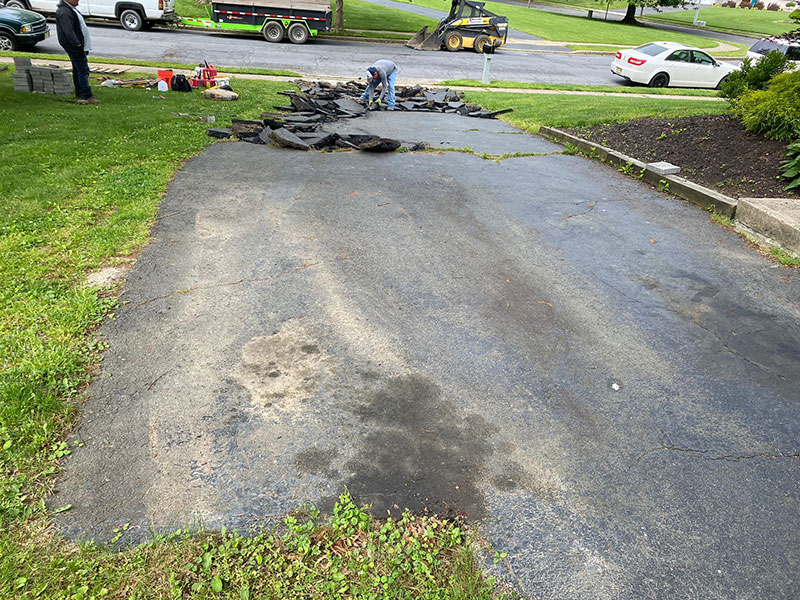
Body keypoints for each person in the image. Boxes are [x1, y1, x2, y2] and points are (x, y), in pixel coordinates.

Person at [56, 0, 98, 105]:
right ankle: (88, 95)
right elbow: (68, 31)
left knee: (77, 69)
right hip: (75, 47)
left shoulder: (70, 9)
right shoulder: (65, 12)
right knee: (83, 70)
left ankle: (80, 92)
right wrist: (77, 45)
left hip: (78, 46)